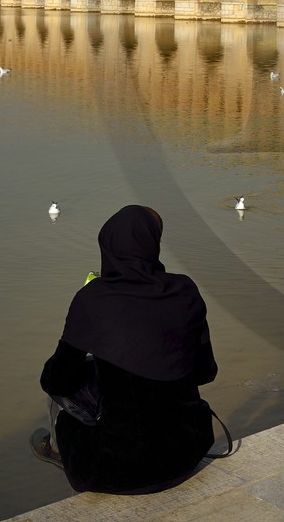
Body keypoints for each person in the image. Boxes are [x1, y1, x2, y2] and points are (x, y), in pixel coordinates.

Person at [32, 205, 218, 494]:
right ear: (152, 244)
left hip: (115, 470)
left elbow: (56, 381)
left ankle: (56, 450)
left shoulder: (92, 299)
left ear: (107, 247)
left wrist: (100, 358)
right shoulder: (184, 291)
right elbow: (206, 372)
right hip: (186, 454)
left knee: (69, 398)